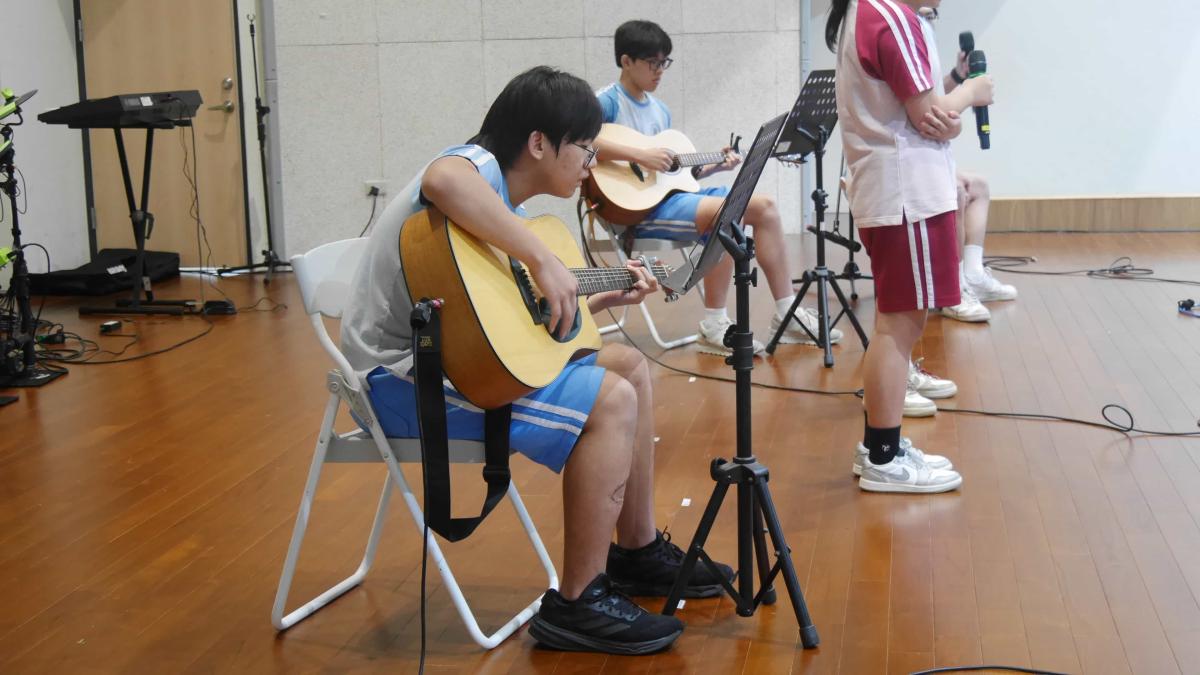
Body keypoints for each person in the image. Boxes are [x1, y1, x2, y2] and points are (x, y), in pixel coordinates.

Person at [339, 66, 732, 655]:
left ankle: (637, 549)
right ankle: (578, 603)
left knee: (627, 367)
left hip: (456, 362)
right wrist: (544, 261)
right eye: (585, 148)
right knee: (612, 400)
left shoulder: (506, 214)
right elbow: (442, 176)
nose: (591, 163)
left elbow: (515, 325)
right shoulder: (474, 167)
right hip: (398, 381)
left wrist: (601, 296)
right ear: (539, 143)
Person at [593, 19, 843, 357]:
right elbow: (579, 142)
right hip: (634, 213)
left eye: (665, 62)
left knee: (764, 207)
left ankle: (788, 314)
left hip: (671, 199)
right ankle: (713, 324)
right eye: (653, 63)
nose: (660, 71)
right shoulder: (605, 103)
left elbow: (671, 179)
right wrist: (639, 154)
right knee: (728, 213)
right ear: (626, 61)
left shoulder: (660, 111)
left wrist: (716, 166)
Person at [827, 0, 993, 492]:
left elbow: (923, 106)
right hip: (906, 195)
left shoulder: (871, 11)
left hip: (898, 191)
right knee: (898, 326)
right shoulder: (889, 14)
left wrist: (949, 107)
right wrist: (972, 91)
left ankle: (882, 448)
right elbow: (929, 116)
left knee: (899, 321)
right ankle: (883, 455)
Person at [914, 12, 1018, 322]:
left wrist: (959, 78)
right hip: (911, 162)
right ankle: (953, 288)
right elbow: (927, 111)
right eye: (927, 14)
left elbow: (935, 96)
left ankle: (972, 274)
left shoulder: (924, 35)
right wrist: (971, 91)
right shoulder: (905, 34)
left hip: (931, 155)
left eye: (933, 16)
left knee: (979, 186)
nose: (931, 17)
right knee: (957, 191)